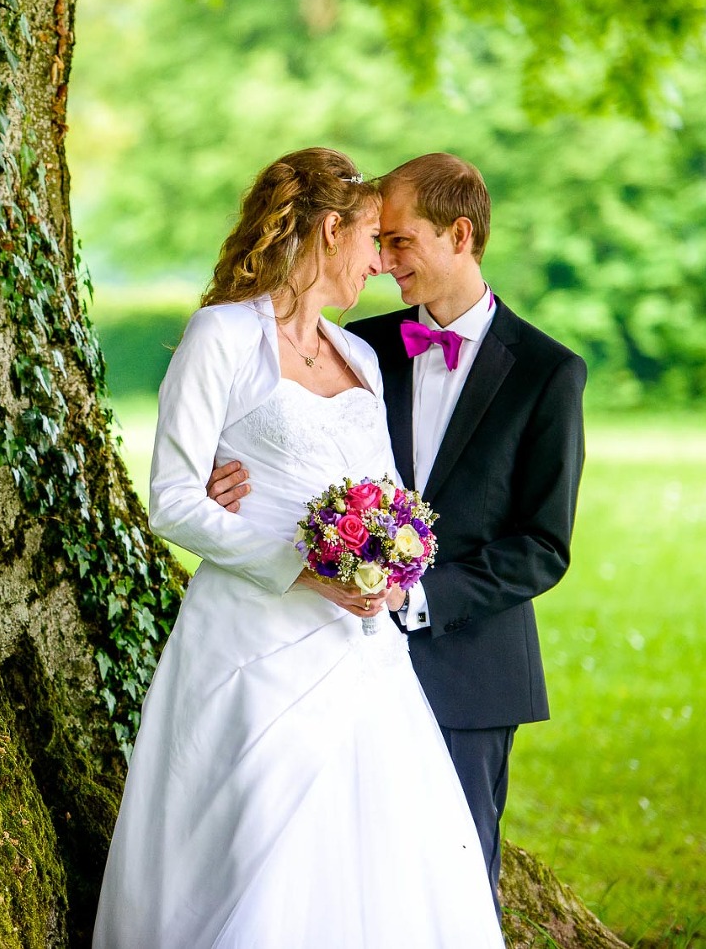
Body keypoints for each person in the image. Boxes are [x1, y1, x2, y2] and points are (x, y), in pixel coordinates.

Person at [93, 148, 502, 948]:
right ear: (328, 229)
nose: (381, 264)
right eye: (371, 242)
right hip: (253, 638)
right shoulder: (222, 336)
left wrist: (392, 561)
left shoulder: (361, 358)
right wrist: (305, 569)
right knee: (259, 852)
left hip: (362, 647)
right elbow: (174, 499)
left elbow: (386, 495)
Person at [210, 152, 586, 910]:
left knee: (449, 885)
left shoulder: (549, 372)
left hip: (471, 670)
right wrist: (230, 479)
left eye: (400, 243)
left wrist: (413, 598)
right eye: (375, 242)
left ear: (459, 234)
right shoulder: (359, 347)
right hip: (330, 656)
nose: (380, 262)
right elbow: (289, 441)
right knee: (333, 877)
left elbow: (543, 546)